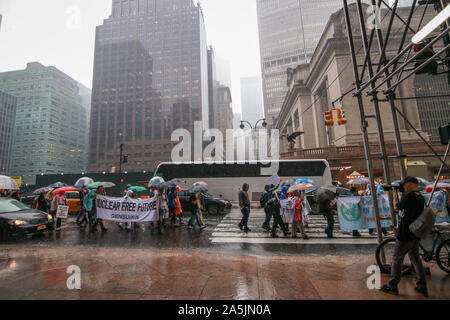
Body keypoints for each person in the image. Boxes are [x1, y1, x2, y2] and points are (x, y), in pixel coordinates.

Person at [381, 177, 428, 297]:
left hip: (406, 233)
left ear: (411, 184)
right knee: (415, 259)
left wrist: (395, 194)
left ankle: (392, 286)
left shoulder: (409, 196)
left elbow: (397, 207)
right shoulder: (420, 196)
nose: (403, 186)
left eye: (404, 184)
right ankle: (422, 286)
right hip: (415, 232)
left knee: (397, 258)